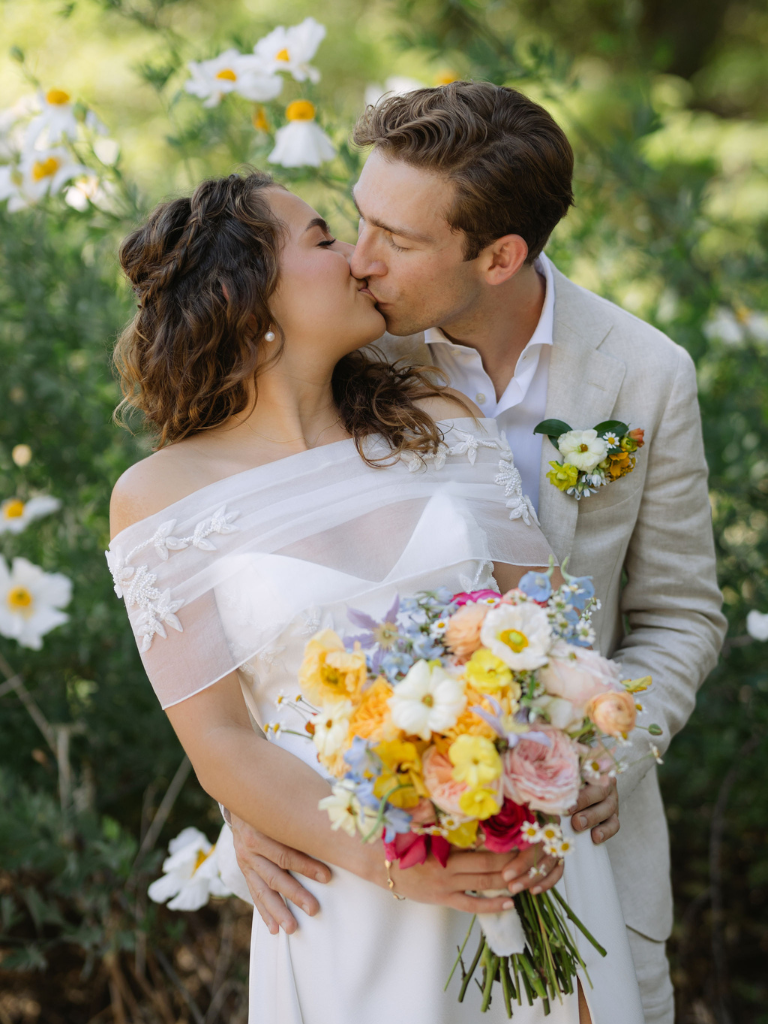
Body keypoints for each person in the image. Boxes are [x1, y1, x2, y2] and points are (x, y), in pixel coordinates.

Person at [228, 83, 727, 1024]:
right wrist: (245, 800)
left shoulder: (647, 374)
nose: (360, 262)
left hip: (586, 859)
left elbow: (681, 613)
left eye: (399, 240)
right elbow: (245, 597)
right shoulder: (339, 358)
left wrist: (603, 752)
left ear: (499, 256)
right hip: (378, 868)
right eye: (358, 219)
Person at [108, 171, 646, 1023]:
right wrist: (388, 861)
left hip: (522, 839)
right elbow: (217, 738)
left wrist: (587, 745)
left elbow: (545, 622)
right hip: (344, 881)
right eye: (322, 238)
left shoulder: (436, 413)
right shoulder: (161, 497)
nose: (359, 259)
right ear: (237, 291)